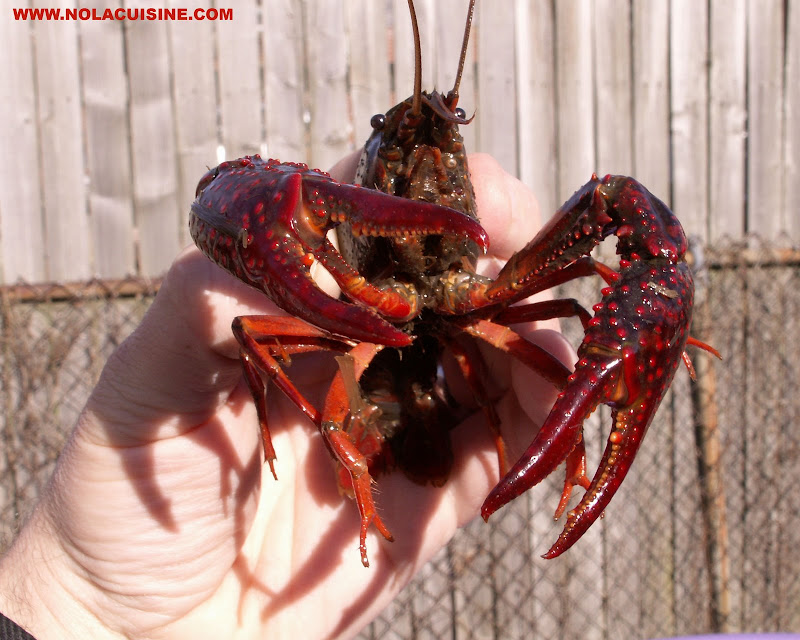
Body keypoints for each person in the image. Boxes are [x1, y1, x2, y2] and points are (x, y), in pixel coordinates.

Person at [0, 153, 574, 640]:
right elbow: (219, 204)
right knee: (249, 325)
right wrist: (80, 601)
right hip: (349, 377)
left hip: (446, 378)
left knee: (565, 335)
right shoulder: (327, 234)